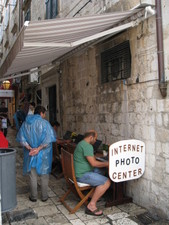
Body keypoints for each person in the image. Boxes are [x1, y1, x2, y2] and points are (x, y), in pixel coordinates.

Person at [17, 105, 56, 202]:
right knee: (44, 175)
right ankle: (44, 197)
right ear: (42, 113)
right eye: (44, 113)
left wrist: (30, 148)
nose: (45, 115)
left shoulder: (26, 123)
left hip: (31, 154)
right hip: (43, 155)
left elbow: (22, 139)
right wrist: (38, 149)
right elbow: (48, 140)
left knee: (32, 176)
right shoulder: (45, 123)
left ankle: (33, 197)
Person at [73, 130, 111, 216]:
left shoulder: (81, 143)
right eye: (95, 139)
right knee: (107, 182)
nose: (95, 141)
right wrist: (107, 163)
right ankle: (91, 205)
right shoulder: (87, 146)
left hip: (78, 172)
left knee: (102, 170)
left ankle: (91, 194)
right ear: (91, 137)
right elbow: (93, 163)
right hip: (82, 175)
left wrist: (102, 161)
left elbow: (91, 159)